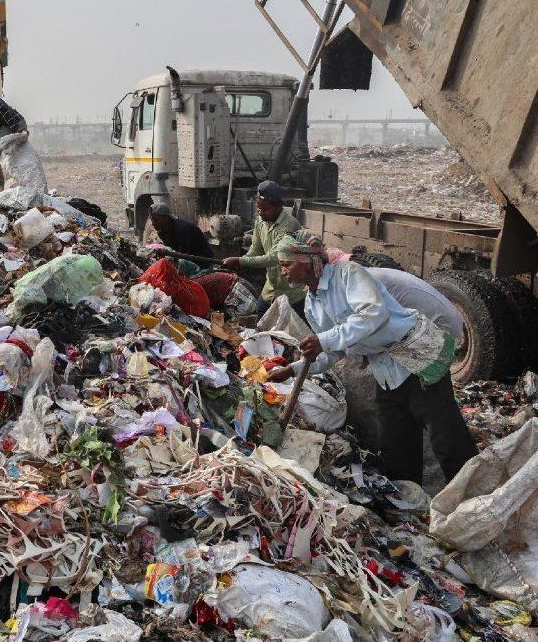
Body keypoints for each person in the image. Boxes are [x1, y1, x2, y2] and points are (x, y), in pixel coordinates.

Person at [270, 236, 478, 484]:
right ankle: (408, 499)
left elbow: (374, 313)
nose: (283, 272)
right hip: (386, 373)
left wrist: (323, 340)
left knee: (447, 438)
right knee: (396, 444)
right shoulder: (310, 305)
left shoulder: (348, 274)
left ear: (307, 261)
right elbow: (333, 352)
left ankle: (473, 492)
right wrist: (292, 370)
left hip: (416, 358)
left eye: (287, 264)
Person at [222, 180, 304, 311]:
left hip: (291, 296)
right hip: (270, 291)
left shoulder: (289, 226)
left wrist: (240, 261)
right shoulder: (261, 221)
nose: (260, 212)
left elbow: (274, 258)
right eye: (258, 208)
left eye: (265, 209)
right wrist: (242, 262)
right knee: (260, 319)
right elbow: (256, 249)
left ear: (278, 206)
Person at [148, 203, 213, 260]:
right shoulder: (163, 231)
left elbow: (183, 255)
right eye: (152, 220)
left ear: (166, 218)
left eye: (156, 220)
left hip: (202, 261)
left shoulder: (182, 229)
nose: (153, 223)